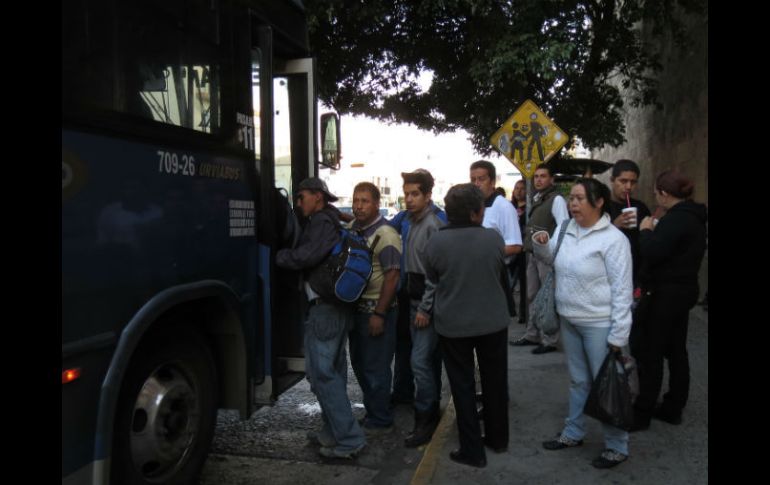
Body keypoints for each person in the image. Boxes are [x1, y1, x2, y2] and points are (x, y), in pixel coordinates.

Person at [534, 178, 633, 469]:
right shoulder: (566, 229)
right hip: (570, 319)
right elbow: (551, 259)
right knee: (579, 381)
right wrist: (541, 245)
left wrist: (618, 334)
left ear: (598, 202)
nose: (573, 204)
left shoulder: (613, 239)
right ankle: (573, 432)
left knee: (609, 385)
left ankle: (617, 445)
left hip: (600, 324)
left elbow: (622, 289)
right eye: (571, 199)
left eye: (579, 198)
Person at [275, 177, 366, 459]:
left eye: (301, 196)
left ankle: (349, 440)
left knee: (321, 375)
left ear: (318, 197)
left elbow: (305, 257)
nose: (298, 202)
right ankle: (332, 431)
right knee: (332, 374)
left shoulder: (321, 223)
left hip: (326, 310)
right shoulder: (329, 220)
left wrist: (275, 256)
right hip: (332, 308)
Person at [423, 184, 510, 468]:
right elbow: (498, 270)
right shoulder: (494, 239)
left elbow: (433, 278)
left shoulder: (435, 243)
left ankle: (472, 450)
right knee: (495, 381)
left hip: (453, 324)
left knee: (462, 386)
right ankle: (498, 439)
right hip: (493, 322)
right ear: (475, 213)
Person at [630, 169, 707, 431]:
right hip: (683, 291)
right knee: (676, 350)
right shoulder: (693, 217)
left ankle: (643, 411)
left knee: (650, 352)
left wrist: (645, 230)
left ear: (664, 194)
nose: (655, 197)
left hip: (665, 294)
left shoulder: (677, 219)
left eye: (656, 192)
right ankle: (674, 405)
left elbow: (653, 251)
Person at [394, 169, 446, 447]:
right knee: (427, 361)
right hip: (414, 301)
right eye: (407, 194)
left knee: (420, 362)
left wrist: (425, 309)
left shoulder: (431, 225)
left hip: (425, 306)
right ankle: (430, 412)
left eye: (415, 194)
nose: (409, 199)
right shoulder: (413, 222)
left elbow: (435, 275)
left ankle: (424, 418)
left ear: (427, 196)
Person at [348, 182, 402, 434]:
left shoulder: (387, 235)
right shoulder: (352, 229)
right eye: (356, 201)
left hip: (377, 312)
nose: (358, 206)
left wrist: (379, 313)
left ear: (377, 204)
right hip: (356, 312)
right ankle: (373, 412)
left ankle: (380, 419)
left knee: (376, 368)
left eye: (365, 201)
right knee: (360, 365)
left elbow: (392, 277)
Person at [511, 164, 569, 354]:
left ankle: (549, 339)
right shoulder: (537, 198)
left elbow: (562, 226)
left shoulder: (557, 199)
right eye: (536, 176)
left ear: (552, 179)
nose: (538, 180)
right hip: (533, 254)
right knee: (532, 295)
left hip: (547, 256)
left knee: (548, 297)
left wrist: (552, 249)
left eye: (543, 176)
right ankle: (532, 334)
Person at [607, 159, 652, 291]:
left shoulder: (640, 207)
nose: (628, 187)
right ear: (612, 180)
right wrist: (614, 226)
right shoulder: (602, 206)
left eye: (633, 182)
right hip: (609, 274)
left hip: (635, 274)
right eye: (623, 181)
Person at [510, 179, 528, 322]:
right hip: (510, 250)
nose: (519, 191)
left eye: (522, 188)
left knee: (524, 283)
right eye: (516, 188)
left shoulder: (529, 208)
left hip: (523, 251)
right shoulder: (509, 207)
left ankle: (524, 313)